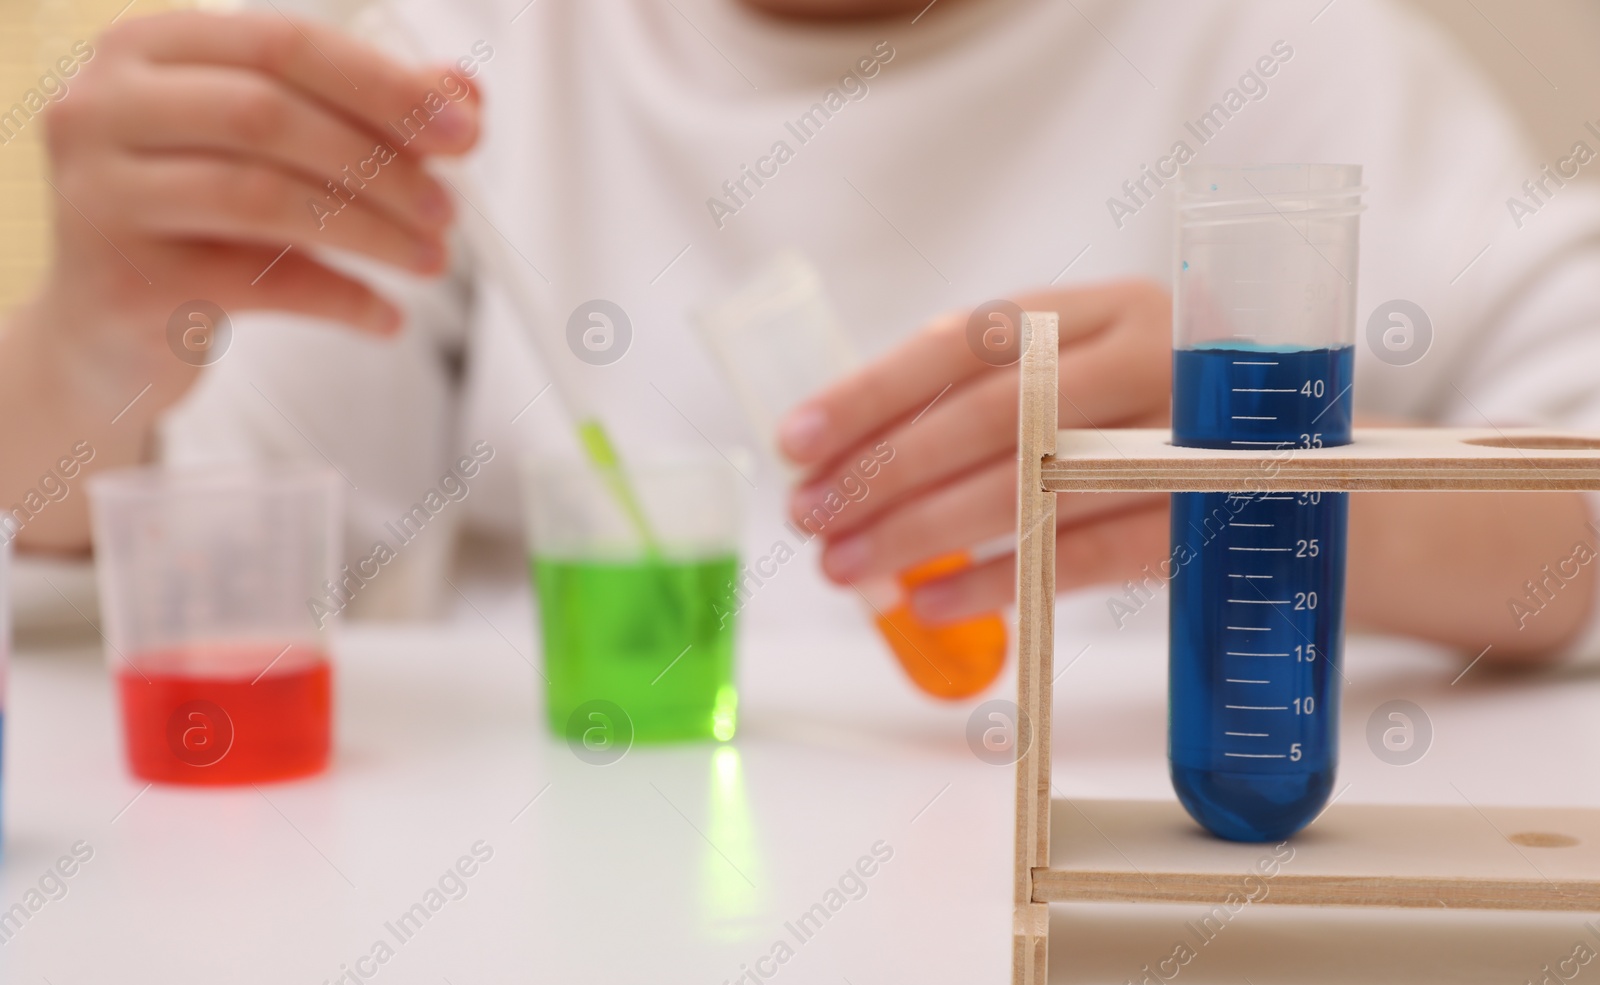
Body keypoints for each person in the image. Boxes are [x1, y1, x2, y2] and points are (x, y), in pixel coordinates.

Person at [2, 0, 1597, 665]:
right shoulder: (465, 58)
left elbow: (1580, 514)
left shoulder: (1276, 52)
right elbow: (183, 586)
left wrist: (1277, 486)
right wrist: (92, 344)